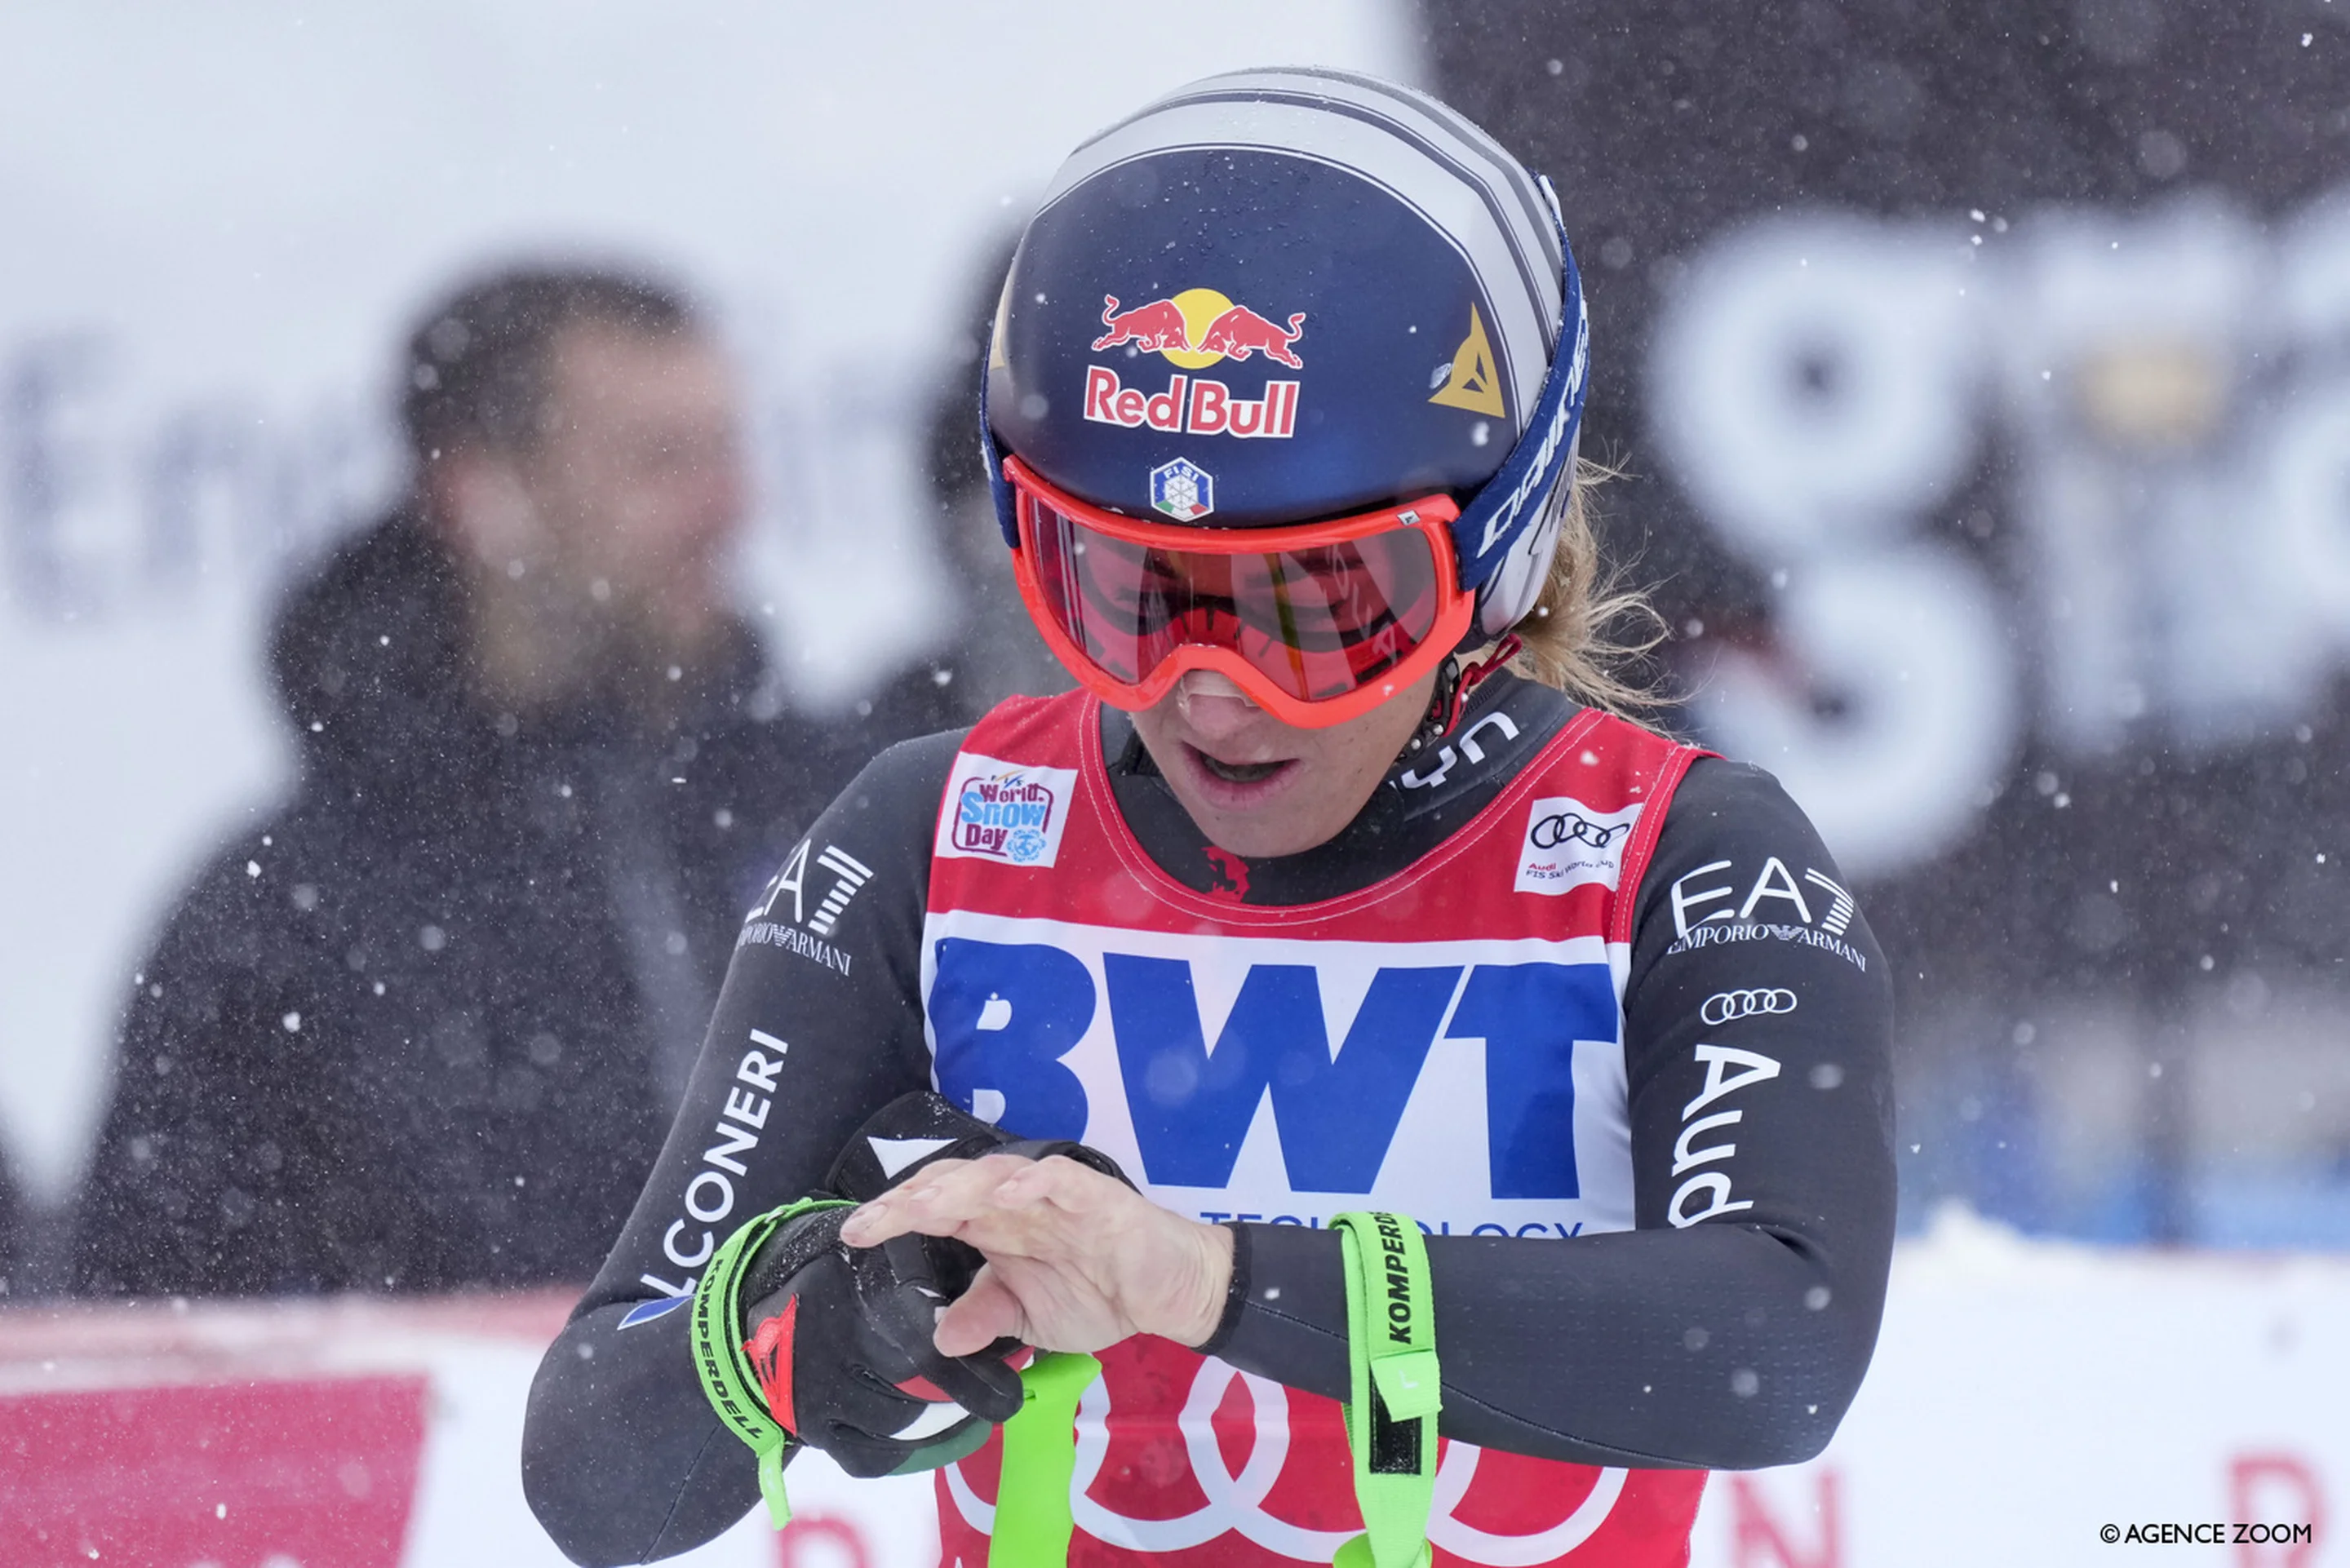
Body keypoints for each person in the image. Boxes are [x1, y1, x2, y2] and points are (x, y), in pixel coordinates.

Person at [523, 69, 1896, 1568]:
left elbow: (1782, 1342)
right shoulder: (936, 834)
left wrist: (1209, 1280)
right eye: (1122, 595)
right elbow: (591, 1461)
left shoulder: (1675, 859)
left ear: (1488, 552)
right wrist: (805, 1322)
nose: (1211, 694)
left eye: (1314, 610)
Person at [71, 264, 880, 1297]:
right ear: (482, 495)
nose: (730, 507)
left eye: (728, 448)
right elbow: (174, 1387)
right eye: (661, 461)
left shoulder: (849, 816)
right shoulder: (276, 930)